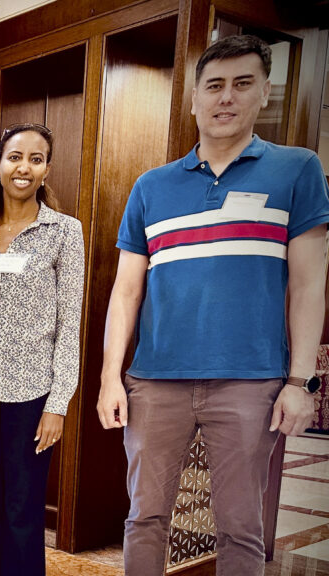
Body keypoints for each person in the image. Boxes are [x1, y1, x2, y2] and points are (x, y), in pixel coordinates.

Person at [97, 35, 329, 575]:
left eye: (242, 84)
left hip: (250, 382)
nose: (226, 97)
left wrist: (301, 383)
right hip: (155, 380)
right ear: (194, 98)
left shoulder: (297, 170)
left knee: (241, 528)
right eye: (214, 85)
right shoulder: (151, 187)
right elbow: (126, 291)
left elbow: (308, 285)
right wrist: (111, 377)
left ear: (264, 93)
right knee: (144, 518)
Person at [0, 123, 85, 575]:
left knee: (22, 513)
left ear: (46, 171)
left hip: (31, 396)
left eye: (36, 159)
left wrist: (58, 405)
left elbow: (69, 326)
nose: (24, 167)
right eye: (15, 157)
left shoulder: (64, 232)